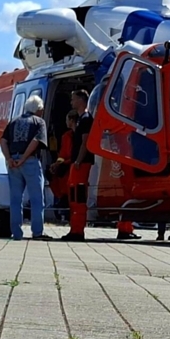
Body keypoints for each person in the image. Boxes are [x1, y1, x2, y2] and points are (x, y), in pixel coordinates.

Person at [0, 94, 52, 240]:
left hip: (13, 163)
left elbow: (3, 141)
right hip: (29, 161)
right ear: (39, 109)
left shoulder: (13, 122)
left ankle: (16, 233)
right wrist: (23, 158)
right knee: (36, 199)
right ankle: (37, 232)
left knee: (15, 199)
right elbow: (36, 140)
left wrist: (9, 158)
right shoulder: (39, 122)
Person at [62, 89, 94, 241]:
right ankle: (74, 228)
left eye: (73, 99)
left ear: (81, 100)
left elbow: (85, 142)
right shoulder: (81, 119)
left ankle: (78, 231)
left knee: (79, 196)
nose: (71, 102)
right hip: (78, 164)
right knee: (74, 197)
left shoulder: (87, 119)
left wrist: (78, 161)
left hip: (82, 164)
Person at [49, 111, 78, 222]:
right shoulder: (66, 136)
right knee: (52, 174)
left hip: (73, 164)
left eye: (67, 120)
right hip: (66, 164)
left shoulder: (77, 135)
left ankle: (65, 201)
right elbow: (62, 154)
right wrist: (56, 164)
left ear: (71, 120)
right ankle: (62, 199)